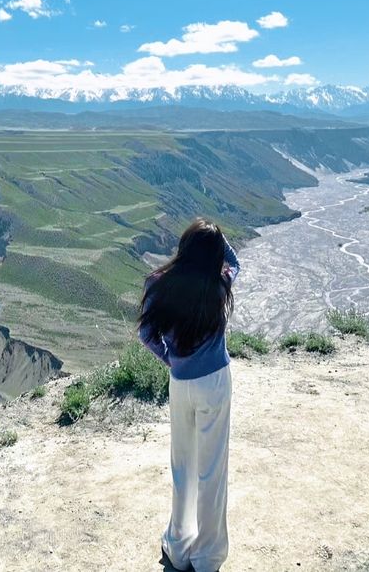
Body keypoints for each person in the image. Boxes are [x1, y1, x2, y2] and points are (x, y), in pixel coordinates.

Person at [138, 218, 240, 572]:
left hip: (180, 384)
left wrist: (172, 360)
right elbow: (234, 260)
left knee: (182, 466)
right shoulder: (220, 282)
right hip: (215, 382)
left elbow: (147, 334)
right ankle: (207, 556)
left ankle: (178, 547)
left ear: (183, 247)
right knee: (211, 470)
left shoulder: (158, 283)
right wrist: (218, 238)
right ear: (213, 255)